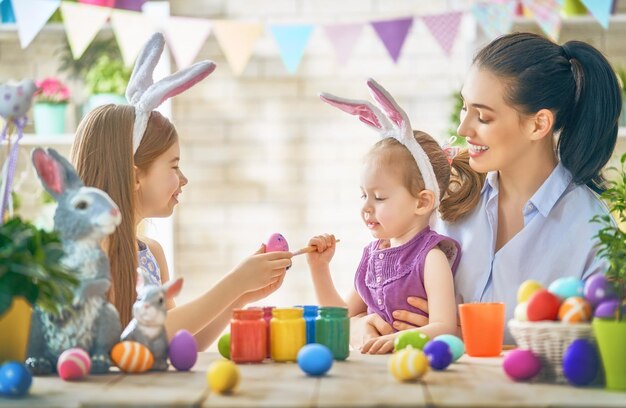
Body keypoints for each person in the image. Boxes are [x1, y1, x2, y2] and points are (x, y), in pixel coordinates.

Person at [360, 32, 622, 345]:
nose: (462, 129)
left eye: (482, 116)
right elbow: (368, 297)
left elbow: (599, 353)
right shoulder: (442, 195)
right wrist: (370, 322)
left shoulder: (590, 232)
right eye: (464, 107)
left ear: (538, 125)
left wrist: (459, 335)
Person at [70, 34, 292, 350]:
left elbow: (182, 340)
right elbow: (147, 334)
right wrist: (234, 283)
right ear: (135, 176)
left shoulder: (151, 253)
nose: (183, 179)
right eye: (174, 166)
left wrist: (239, 297)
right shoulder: (95, 255)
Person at [305, 79, 485, 354]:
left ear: (422, 202)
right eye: (363, 195)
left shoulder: (430, 258)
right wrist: (319, 269)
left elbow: (444, 327)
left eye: (379, 197)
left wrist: (400, 340)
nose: (366, 207)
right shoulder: (372, 257)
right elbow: (338, 320)